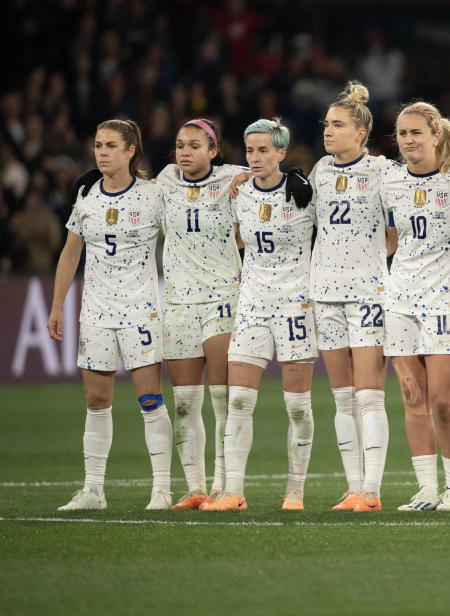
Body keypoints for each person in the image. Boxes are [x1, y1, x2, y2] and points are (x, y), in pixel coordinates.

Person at [47, 118, 173, 510]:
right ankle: (94, 491)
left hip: (141, 310)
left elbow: (183, 237)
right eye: (98, 145)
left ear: (130, 151)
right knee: (96, 400)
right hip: (97, 311)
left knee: (150, 399)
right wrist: (56, 306)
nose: (101, 152)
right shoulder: (87, 195)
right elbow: (71, 253)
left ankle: (162, 489)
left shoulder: (154, 195)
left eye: (110, 146)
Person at [204, 117, 317, 511]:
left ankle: (295, 490)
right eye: (250, 150)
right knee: (238, 401)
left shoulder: (305, 192)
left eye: (264, 150)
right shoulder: (239, 193)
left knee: (297, 406)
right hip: (252, 304)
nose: (254, 157)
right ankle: (234, 491)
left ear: (281, 153)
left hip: (296, 306)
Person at [382, 101, 450, 511]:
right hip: (400, 297)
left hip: (446, 300)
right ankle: (426, 489)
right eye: (403, 134)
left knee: (441, 400)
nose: (408, 141)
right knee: (411, 396)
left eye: (416, 133)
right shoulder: (389, 182)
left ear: (436, 134)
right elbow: (387, 237)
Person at [309, 82, 393, 513]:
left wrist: (371, 257)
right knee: (342, 397)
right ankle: (353, 486)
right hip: (325, 292)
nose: (329, 131)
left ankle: (373, 491)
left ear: (360, 133)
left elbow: (398, 228)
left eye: (338, 125)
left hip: (367, 294)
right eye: (326, 124)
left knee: (368, 395)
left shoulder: (382, 171)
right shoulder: (320, 170)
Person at [154, 118, 243, 510]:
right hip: (177, 302)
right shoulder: (165, 182)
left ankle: (226, 487)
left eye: (194, 145)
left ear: (213, 151)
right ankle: (195, 488)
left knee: (222, 399)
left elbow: (272, 173)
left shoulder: (234, 178)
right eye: (179, 145)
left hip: (223, 296)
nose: (184, 151)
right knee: (185, 403)